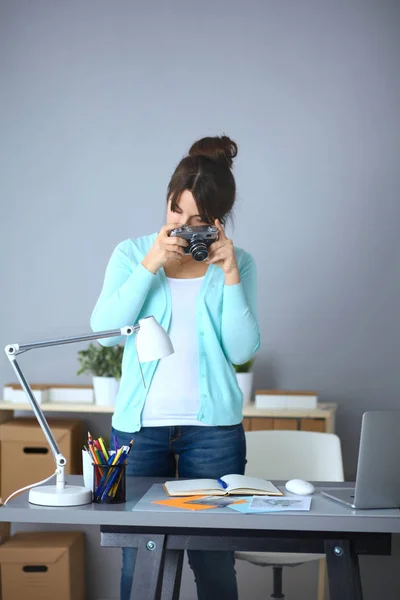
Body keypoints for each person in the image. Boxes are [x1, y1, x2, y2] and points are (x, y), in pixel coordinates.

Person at [90, 135, 261, 600]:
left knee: (214, 565)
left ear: (219, 223)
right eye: (174, 212)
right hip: (139, 432)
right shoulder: (131, 253)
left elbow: (243, 348)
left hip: (215, 434)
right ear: (166, 200)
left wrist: (229, 275)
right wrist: (151, 264)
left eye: (199, 222)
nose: (183, 228)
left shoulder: (238, 262)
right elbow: (105, 331)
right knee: (140, 563)